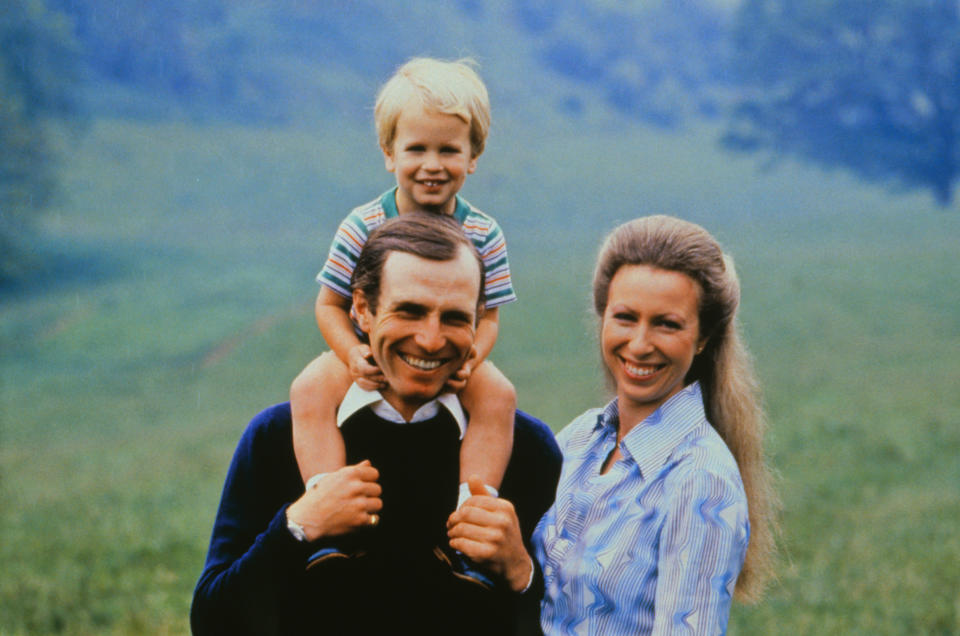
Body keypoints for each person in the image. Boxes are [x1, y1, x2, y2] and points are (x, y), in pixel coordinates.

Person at [191, 213, 561, 635]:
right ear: (362, 310)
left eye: (455, 318)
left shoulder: (527, 447)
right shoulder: (277, 436)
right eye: (410, 311)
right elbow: (212, 623)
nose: (431, 339)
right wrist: (296, 527)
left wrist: (521, 571)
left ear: (478, 320)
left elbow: (566, 625)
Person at [289, 57, 518, 581]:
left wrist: (473, 359)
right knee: (309, 388)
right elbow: (328, 304)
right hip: (369, 353)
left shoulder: (485, 233)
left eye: (448, 150)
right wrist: (352, 354)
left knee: (499, 396)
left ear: (474, 157)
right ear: (389, 154)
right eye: (416, 149)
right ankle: (329, 511)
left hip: (452, 357)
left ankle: (471, 520)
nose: (432, 164)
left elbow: (488, 318)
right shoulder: (363, 224)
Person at [531, 215, 779, 634]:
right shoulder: (578, 438)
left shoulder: (702, 482)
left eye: (666, 324)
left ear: (703, 338)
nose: (640, 345)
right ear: (602, 317)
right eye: (625, 317)